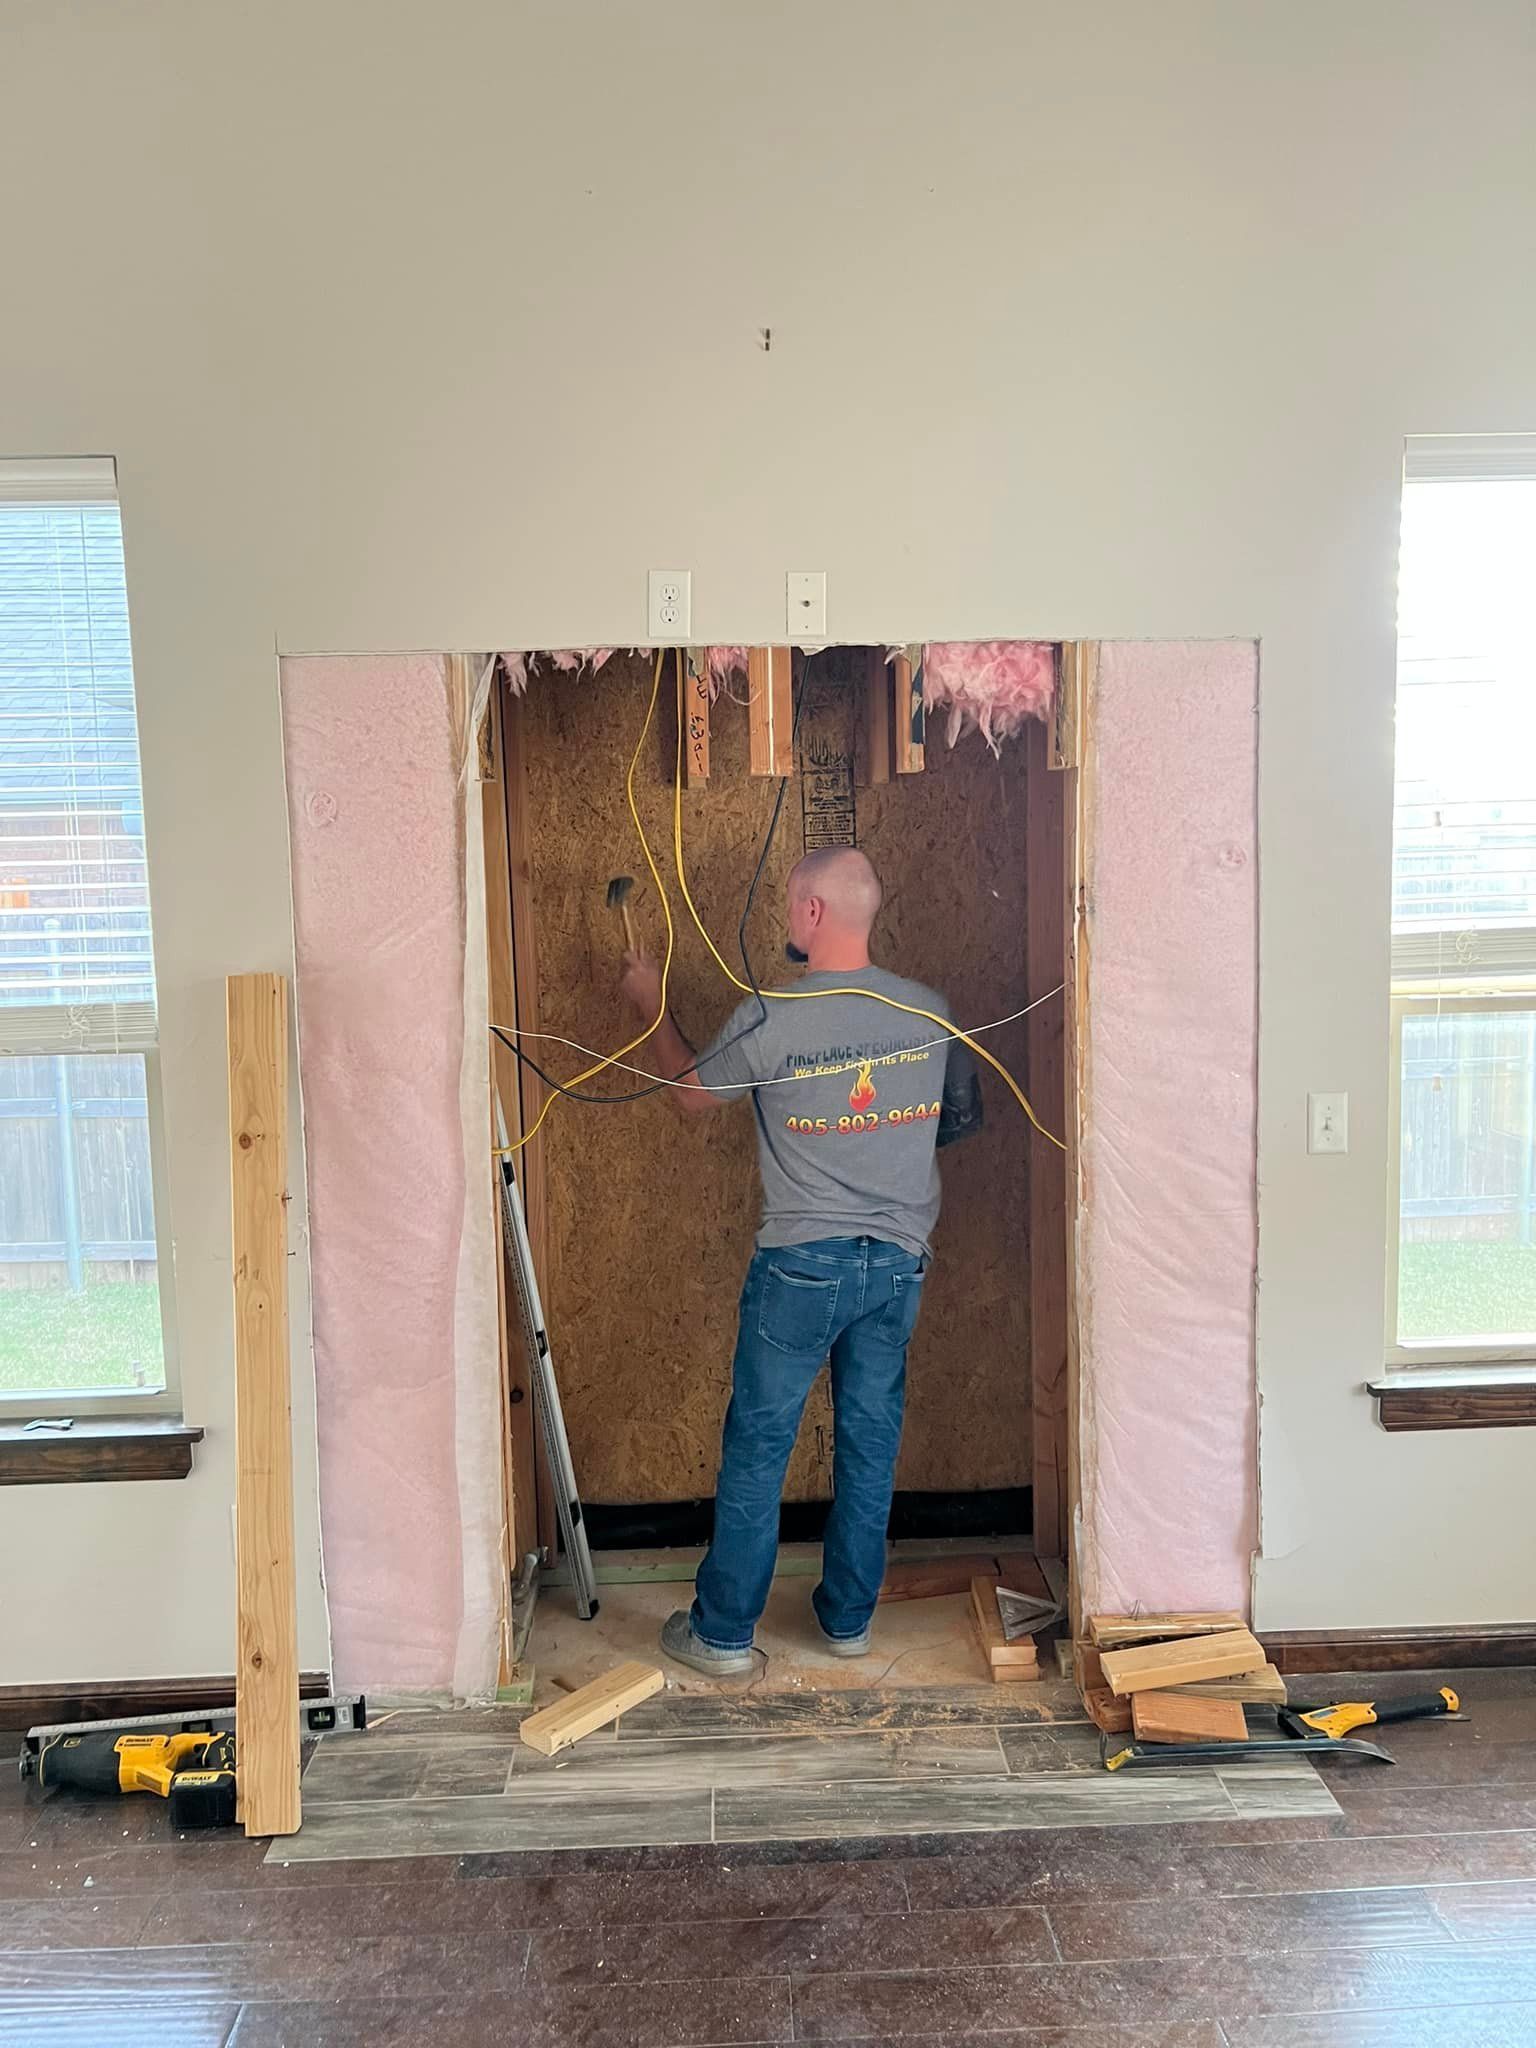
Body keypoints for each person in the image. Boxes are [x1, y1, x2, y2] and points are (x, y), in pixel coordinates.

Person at [617, 847, 983, 1677]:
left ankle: (723, 1637)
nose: (788, 920)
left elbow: (688, 1095)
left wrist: (650, 1006)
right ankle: (848, 1621)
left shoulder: (770, 1019)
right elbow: (961, 1115)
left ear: (815, 913)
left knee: (759, 1446)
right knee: (868, 1441)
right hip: (896, 1265)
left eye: (791, 905)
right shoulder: (931, 1013)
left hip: (799, 1270)